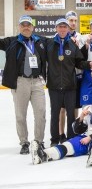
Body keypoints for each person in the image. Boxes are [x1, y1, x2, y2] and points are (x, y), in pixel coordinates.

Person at [31, 85, 92, 165]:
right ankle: (43, 154)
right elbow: (76, 130)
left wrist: (90, 138)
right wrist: (81, 117)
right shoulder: (90, 108)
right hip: (85, 138)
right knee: (67, 146)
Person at [0, 15, 46, 154]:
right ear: (19, 27)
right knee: (20, 115)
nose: (26, 27)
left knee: (41, 113)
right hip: (20, 82)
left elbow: (57, 42)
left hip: (37, 82)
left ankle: (38, 141)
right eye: (23, 25)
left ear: (32, 27)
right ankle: (24, 142)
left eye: (28, 25)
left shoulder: (40, 41)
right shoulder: (11, 41)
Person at [46, 18, 92, 146]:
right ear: (56, 28)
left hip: (70, 86)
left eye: (64, 27)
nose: (62, 29)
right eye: (60, 27)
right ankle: (54, 140)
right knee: (55, 114)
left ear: (68, 29)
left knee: (71, 115)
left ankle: (71, 138)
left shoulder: (73, 45)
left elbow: (79, 62)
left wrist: (89, 64)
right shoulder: (49, 43)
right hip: (54, 85)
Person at [58, 11, 84, 144]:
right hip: (64, 78)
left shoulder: (81, 37)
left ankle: (72, 132)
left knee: (74, 107)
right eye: (70, 20)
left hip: (77, 77)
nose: (73, 23)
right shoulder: (59, 38)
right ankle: (61, 134)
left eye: (75, 20)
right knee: (62, 108)